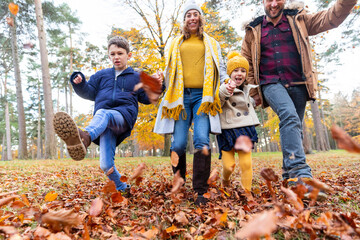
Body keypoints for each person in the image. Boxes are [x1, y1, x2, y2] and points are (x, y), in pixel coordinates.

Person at [241, 0, 357, 189]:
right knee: (289, 116)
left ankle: (288, 175)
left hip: (298, 83)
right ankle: (300, 173)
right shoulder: (253, 30)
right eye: (269, 0)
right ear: (263, 2)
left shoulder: (298, 20)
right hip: (270, 83)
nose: (273, 4)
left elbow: (330, 18)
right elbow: (246, 62)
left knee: (294, 126)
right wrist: (254, 91)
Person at [53, 36, 163, 194]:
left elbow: (147, 98)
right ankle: (122, 187)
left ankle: (85, 137)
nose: (116, 57)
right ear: (109, 55)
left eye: (120, 53)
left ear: (128, 55)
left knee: (103, 113)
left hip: (123, 117)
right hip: (103, 124)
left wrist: (159, 85)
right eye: (112, 54)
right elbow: (89, 92)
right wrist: (80, 82)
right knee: (105, 164)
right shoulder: (102, 75)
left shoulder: (136, 77)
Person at [154, 0, 229, 206]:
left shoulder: (212, 43)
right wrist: (160, 79)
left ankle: (200, 190)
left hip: (203, 97)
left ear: (200, 18)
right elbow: (169, 69)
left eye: (195, 14)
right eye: (189, 15)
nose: (192, 18)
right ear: (185, 20)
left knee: (202, 140)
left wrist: (226, 81)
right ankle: (179, 184)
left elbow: (220, 67)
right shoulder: (175, 42)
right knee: (177, 143)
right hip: (180, 98)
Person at [217, 51, 260, 198]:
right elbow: (220, 99)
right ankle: (225, 179)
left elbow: (251, 102)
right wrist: (225, 90)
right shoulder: (225, 86)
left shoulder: (248, 89)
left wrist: (255, 101)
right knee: (229, 166)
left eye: (243, 71)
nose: (239, 73)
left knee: (246, 164)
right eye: (235, 70)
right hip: (227, 129)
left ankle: (246, 192)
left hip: (245, 128)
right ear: (229, 73)